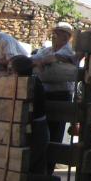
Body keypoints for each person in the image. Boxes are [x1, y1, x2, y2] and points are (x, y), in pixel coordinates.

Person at [31, 22, 77, 154]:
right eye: (54, 33)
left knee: (56, 130)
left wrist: (42, 62)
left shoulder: (69, 50)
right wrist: (39, 61)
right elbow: (33, 59)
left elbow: (52, 59)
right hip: (47, 92)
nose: (53, 36)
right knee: (43, 128)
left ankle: (51, 160)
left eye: (57, 34)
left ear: (66, 37)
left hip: (61, 93)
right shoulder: (47, 50)